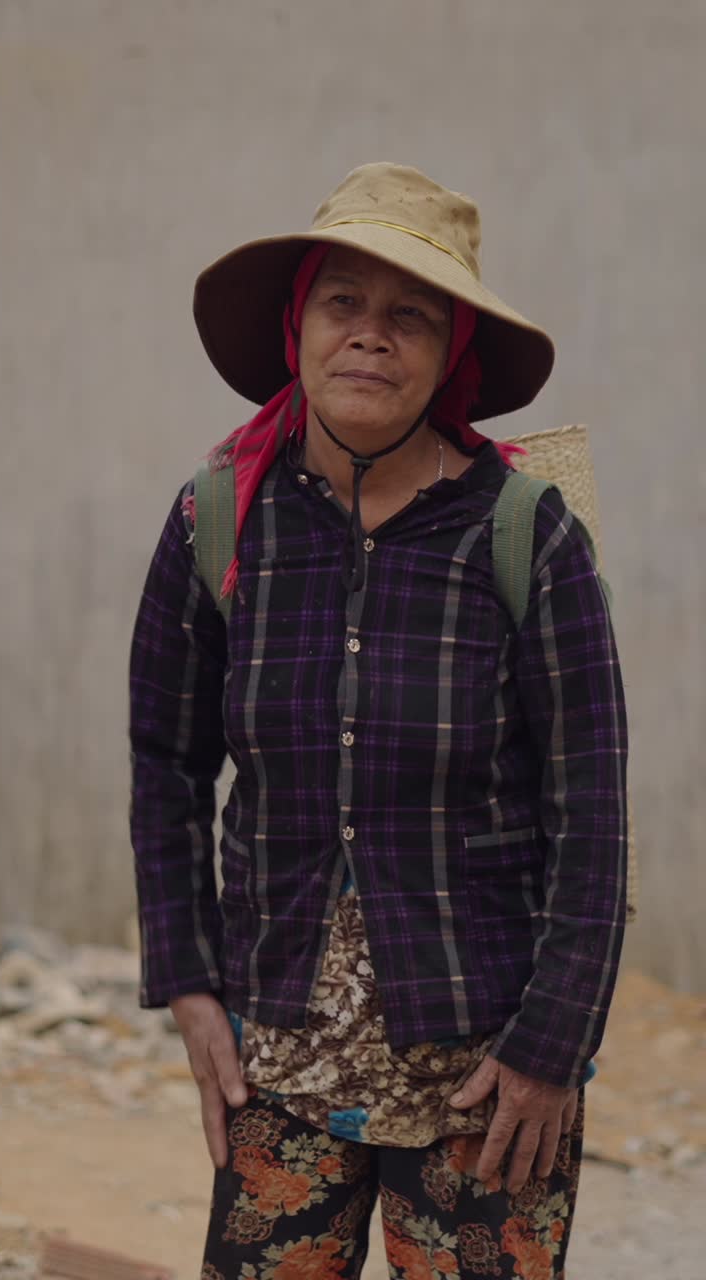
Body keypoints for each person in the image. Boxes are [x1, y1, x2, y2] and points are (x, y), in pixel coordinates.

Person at [130, 162, 627, 1279]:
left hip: (488, 1069)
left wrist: (553, 1045)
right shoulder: (219, 519)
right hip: (279, 1055)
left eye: (411, 315)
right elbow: (165, 763)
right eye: (343, 302)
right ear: (297, 324)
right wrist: (192, 984)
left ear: (451, 352)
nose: (371, 336)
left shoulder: (522, 530)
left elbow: (590, 806)